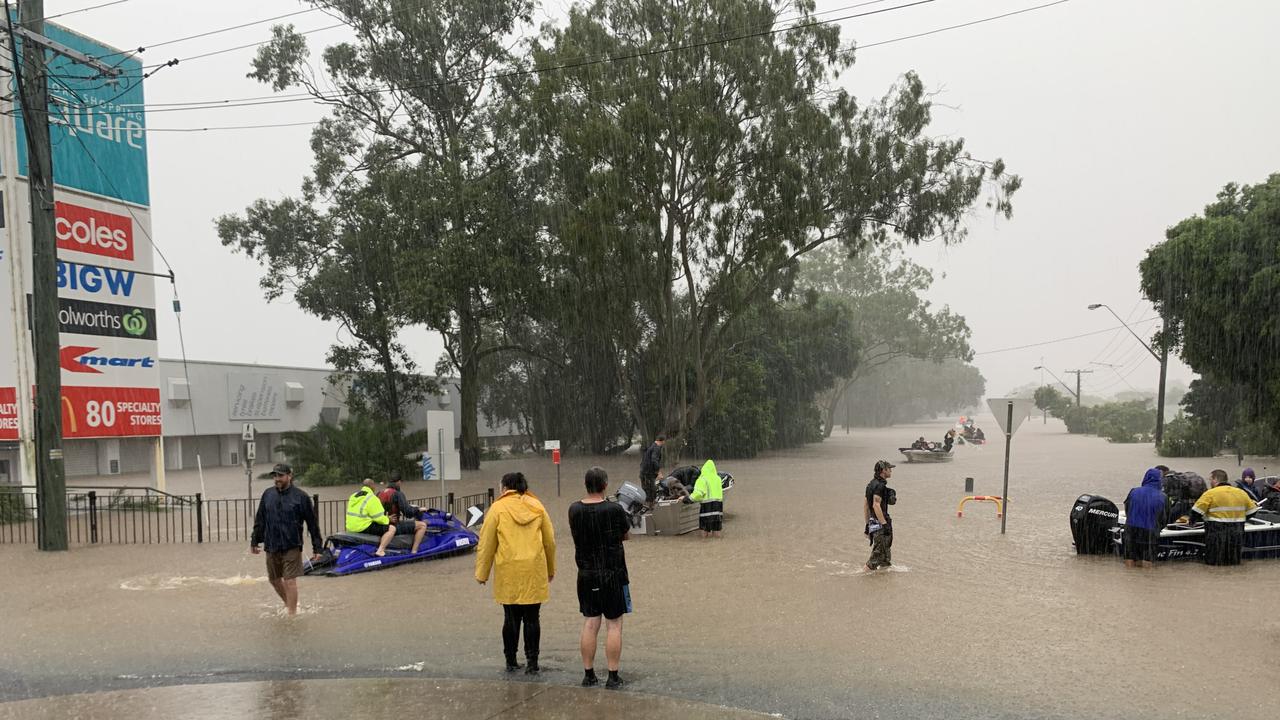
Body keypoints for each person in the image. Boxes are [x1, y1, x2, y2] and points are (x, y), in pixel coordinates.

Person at [474, 472, 556, 675]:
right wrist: (550, 569)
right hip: (533, 569)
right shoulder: (537, 506)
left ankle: (511, 661)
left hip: (508, 570)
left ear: (505, 488)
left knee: (511, 618)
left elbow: (486, 543)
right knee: (532, 618)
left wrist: (482, 573)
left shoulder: (497, 508)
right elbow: (550, 541)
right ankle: (532, 662)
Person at [568, 467, 631, 689]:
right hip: (613, 574)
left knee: (590, 623)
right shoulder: (614, 509)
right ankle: (613, 676)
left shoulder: (573, 510)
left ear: (586, 485)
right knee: (614, 625)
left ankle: (589, 674)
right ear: (605, 485)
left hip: (586, 575)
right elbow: (625, 534)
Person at [250, 463, 324, 616]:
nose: (277, 479)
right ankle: (290, 603)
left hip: (292, 545)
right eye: (275, 476)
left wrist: (318, 548)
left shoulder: (301, 497)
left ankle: (292, 614)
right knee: (275, 580)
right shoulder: (268, 494)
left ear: (290, 476)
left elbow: (312, 524)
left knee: (290, 580)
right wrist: (254, 540)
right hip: (271, 545)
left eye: (280, 476)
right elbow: (260, 519)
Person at [1192, 469, 1259, 566]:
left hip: (1216, 532)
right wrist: (1240, 518)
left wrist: (1192, 521)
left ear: (1215, 480)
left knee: (1215, 562)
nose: (1210, 482)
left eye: (1210, 479)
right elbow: (1253, 511)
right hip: (1237, 532)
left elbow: (1196, 512)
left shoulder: (1210, 493)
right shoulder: (1241, 492)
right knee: (1233, 561)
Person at [1122, 468, 1168, 568]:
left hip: (1131, 529)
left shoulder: (1134, 491)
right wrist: (1157, 528)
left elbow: (1127, 509)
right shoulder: (1163, 496)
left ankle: (1129, 579)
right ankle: (1145, 581)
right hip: (1150, 531)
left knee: (1130, 556)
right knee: (1148, 559)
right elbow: (1165, 518)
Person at [345, 478, 397, 557]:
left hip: (350, 527)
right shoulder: (372, 498)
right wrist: (388, 519)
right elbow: (379, 518)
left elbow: (361, 512)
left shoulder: (353, 496)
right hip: (363, 527)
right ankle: (380, 550)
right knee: (392, 529)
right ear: (372, 486)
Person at [381, 471, 428, 554]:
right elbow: (408, 513)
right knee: (422, 525)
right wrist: (418, 509)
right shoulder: (398, 494)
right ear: (399, 482)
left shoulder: (380, 493)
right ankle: (414, 551)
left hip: (382, 525)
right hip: (394, 525)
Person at [863, 460, 896, 572]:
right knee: (877, 556)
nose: (891, 470)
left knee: (885, 556)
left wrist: (867, 524)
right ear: (883, 471)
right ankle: (863, 576)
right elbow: (876, 505)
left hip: (874, 522)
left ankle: (883, 580)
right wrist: (884, 524)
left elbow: (866, 506)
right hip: (881, 523)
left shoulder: (870, 485)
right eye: (889, 468)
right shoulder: (880, 486)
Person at [683, 458, 724, 538]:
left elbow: (698, 494)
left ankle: (705, 546)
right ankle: (718, 547)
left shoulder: (702, 479)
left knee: (704, 530)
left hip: (707, 508)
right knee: (717, 529)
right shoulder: (718, 479)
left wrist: (686, 499)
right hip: (718, 508)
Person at [639, 434, 666, 504]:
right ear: (663, 441)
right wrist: (659, 472)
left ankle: (647, 504)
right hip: (647, 473)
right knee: (651, 490)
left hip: (644, 471)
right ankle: (651, 506)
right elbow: (654, 460)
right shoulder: (657, 448)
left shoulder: (652, 446)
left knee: (646, 489)